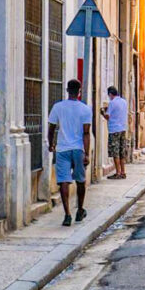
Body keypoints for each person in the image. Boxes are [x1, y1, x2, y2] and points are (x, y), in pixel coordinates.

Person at [48, 79, 92, 226]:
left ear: (67, 91)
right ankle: (80, 209)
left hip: (62, 149)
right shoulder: (85, 109)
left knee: (64, 181)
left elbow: (51, 127)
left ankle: (67, 214)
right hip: (78, 149)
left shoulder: (58, 107)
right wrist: (87, 153)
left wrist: (50, 143)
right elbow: (86, 133)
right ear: (79, 92)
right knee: (80, 180)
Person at [100, 85, 128, 180]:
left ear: (110, 94)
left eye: (109, 95)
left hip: (114, 130)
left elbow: (107, 116)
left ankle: (118, 172)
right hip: (123, 129)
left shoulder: (112, 103)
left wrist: (102, 113)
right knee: (121, 151)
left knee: (115, 152)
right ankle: (123, 172)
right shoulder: (124, 102)